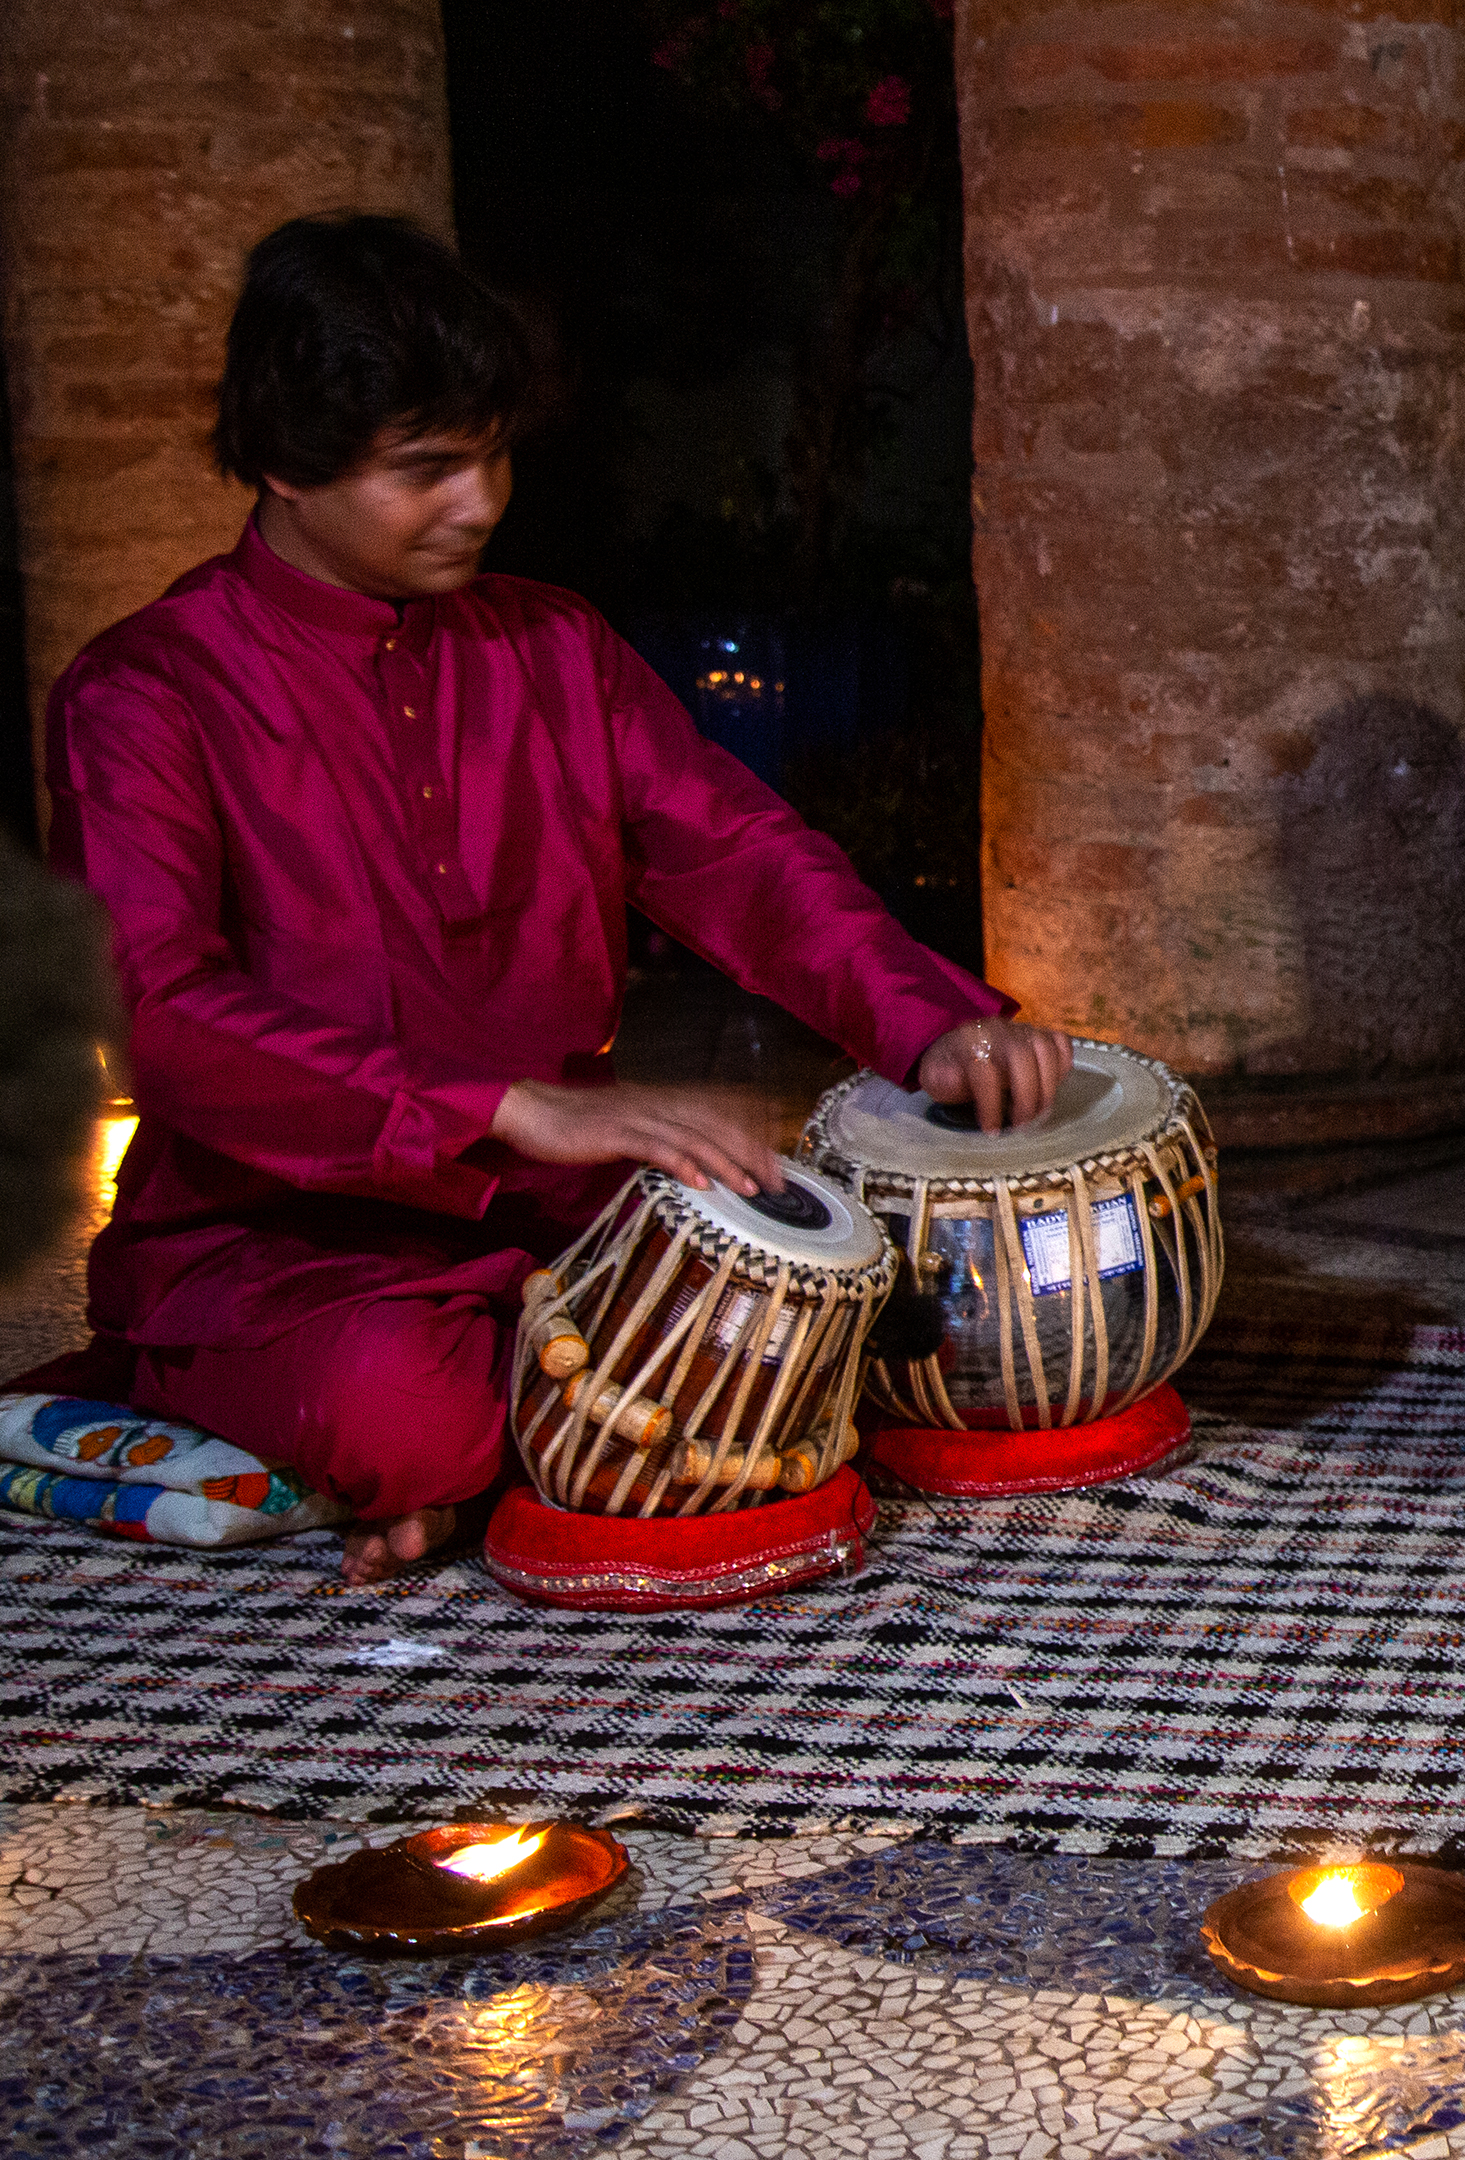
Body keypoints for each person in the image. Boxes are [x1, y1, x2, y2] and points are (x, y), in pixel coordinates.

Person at [38, 213, 1071, 1587]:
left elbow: (737, 852)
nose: (480, 503)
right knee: (412, 1409)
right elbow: (159, 1013)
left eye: (494, 454)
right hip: (281, 1246)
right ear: (286, 460)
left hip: (560, 1213)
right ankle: (423, 1442)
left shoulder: (553, 645)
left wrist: (928, 1022)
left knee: (858, 1305)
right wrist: (506, 1107)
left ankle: (504, 1459)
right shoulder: (145, 692)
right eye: (426, 470)